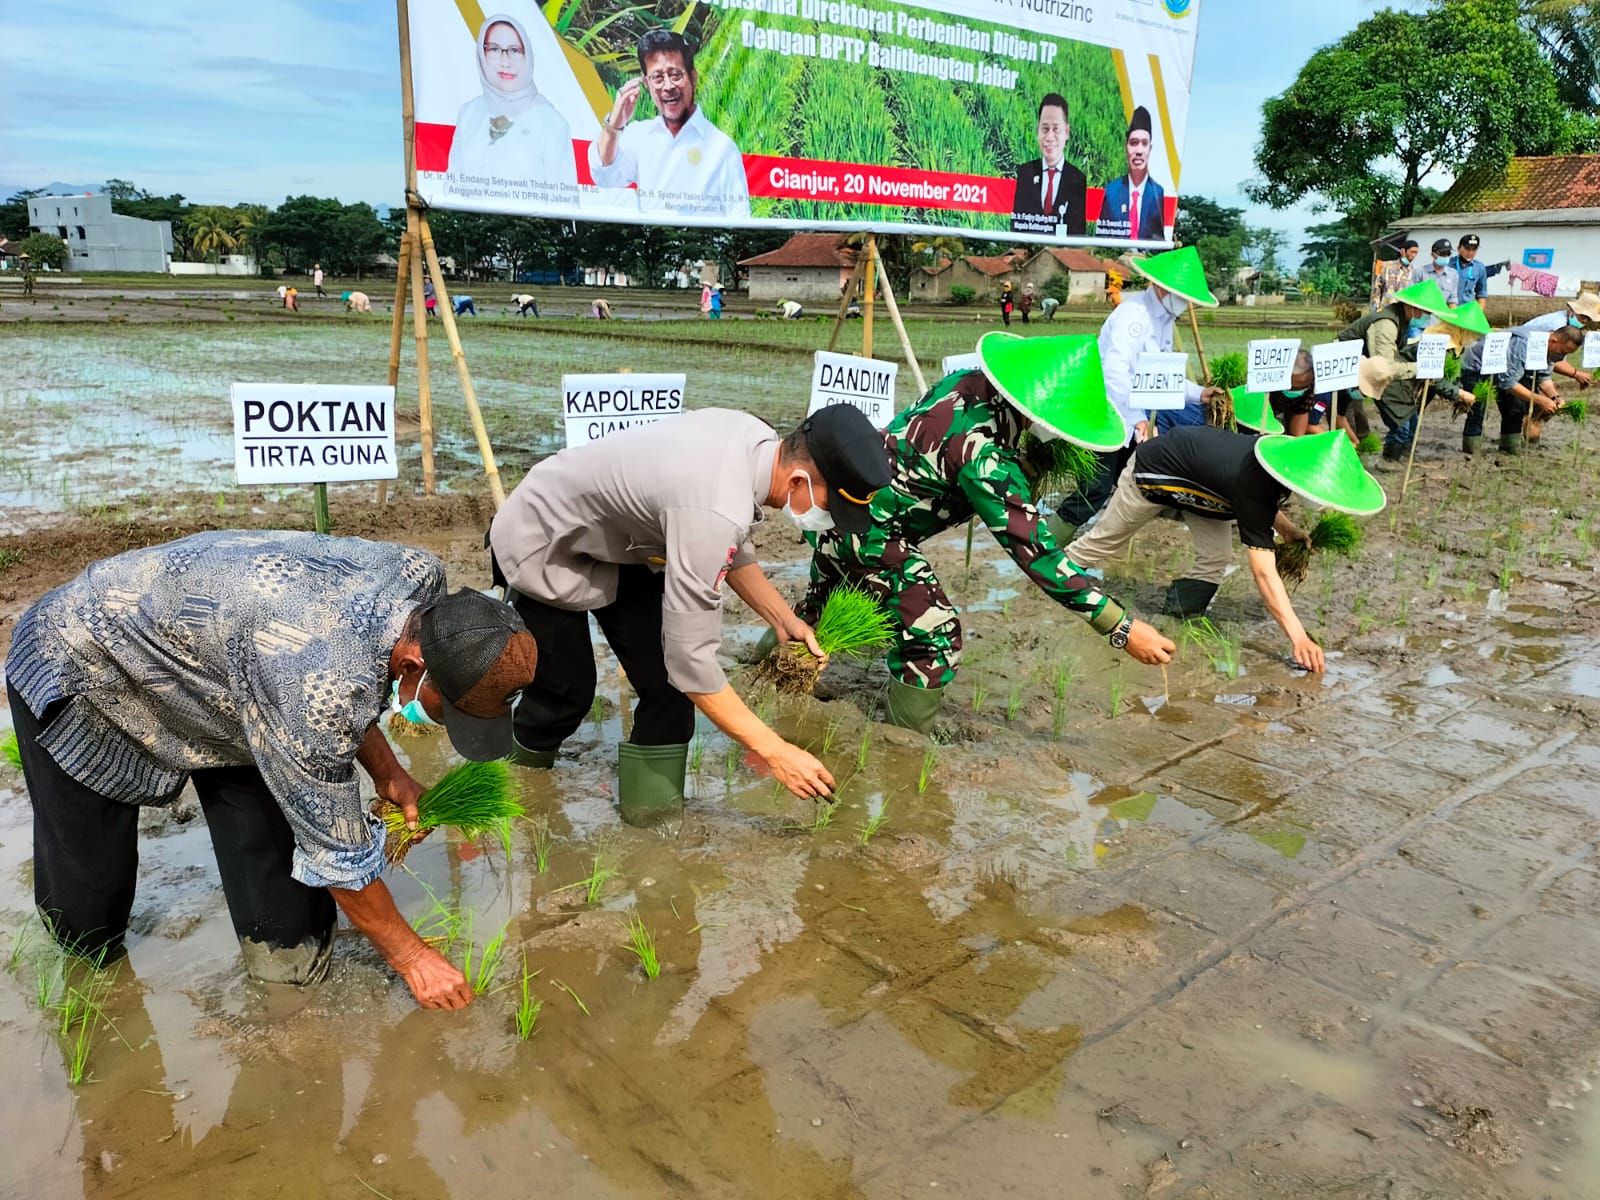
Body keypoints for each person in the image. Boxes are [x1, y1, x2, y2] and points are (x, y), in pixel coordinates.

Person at [4, 531, 538, 1009]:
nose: (447, 725)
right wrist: (414, 958)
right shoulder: (310, 684)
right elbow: (338, 853)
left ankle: (284, 983)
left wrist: (388, 773)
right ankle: (87, 986)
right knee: (89, 912)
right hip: (85, 658)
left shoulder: (422, 584)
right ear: (415, 667)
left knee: (285, 918)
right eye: (452, 712)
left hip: (232, 672)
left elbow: (352, 681)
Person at [488, 405, 892, 822]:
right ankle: (516, 792)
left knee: (668, 689)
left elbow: (731, 546)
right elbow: (692, 658)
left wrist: (782, 618)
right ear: (797, 480)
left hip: (628, 543)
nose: (828, 520)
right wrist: (775, 750)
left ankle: (650, 824)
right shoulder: (713, 508)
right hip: (544, 537)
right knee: (566, 694)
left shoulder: (757, 441)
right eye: (831, 507)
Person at [797, 335, 1174, 733]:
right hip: (870, 536)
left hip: (843, 506)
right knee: (936, 637)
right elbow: (1039, 556)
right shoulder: (988, 460)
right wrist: (1121, 628)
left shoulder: (964, 382)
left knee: (819, 605)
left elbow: (945, 448)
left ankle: (772, 673)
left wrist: (1021, 463)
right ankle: (899, 746)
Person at [1066, 427, 1387, 670]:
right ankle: (1056, 576)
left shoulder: (1279, 465)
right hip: (1153, 473)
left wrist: (1287, 530)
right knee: (1102, 542)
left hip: (1205, 490)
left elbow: (1264, 503)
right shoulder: (1253, 483)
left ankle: (1179, 617)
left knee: (1216, 556)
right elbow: (1263, 572)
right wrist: (1298, 637)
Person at [1056, 245, 1223, 530]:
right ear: (1161, 287)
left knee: (1132, 483)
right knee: (1095, 488)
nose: (1185, 303)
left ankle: (1091, 547)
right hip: (1104, 412)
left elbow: (1161, 377)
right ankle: (1045, 547)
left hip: (1133, 415)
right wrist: (1138, 418)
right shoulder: (1132, 316)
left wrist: (1200, 394)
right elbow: (1114, 373)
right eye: (1183, 296)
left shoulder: (1165, 322)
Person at [590, 31, 750, 219]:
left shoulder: (722, 147)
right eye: (657, 78)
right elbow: (604, 175)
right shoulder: (640, 136)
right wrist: (615, 124)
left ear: (693, 77)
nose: (668, 86)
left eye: (675, 75)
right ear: (647, 85)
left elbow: (739, 218)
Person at [1337, 279, 1473, 462]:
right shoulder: (1386, 323)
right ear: (1413, 308)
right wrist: (1420, 369)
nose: (1427, 316)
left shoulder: (1402, 319)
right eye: (1426, 312)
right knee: (1349, 420)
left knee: (1404, 420)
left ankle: (1396, 460)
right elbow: (1385, 367)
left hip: (1369, 371)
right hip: (1346, 370)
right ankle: (1380, 462)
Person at [448, 14, 579, 201]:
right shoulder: (469, 114)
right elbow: (451, 186)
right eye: (494, 49)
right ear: (482, 54)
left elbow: (565, 203)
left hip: (529, 229)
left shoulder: (551, 122)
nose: (505, 61)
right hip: (469, 228)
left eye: (515, 50)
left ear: (528, 55)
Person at [1457, 322, 1584, 454]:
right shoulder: (1523, 344)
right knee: (1478, 411)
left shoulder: (1549, 349)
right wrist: (1540, 400)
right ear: (1554, 340)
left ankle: (1509, 450)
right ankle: (1471, 454)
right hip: (1477, 367)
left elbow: (1543, 377)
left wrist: (1555, 397)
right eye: (1563, 352)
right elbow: (1508, 382)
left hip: (1508, 370)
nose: (1562, 357)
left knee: (1515, 409)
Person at [1010, 93, 1087, 237]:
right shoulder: (1026, 173)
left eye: (1056, 129)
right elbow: (1016, 225)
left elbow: (1078, 233)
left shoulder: (1077, 179)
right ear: (1037, 130)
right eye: (1045, 129)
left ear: (1066, 132)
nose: (1050, 137)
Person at [1100, 107, 1166, 241]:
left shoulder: (1157, 193)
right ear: (1126, 147)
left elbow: (1158, 241)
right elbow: (1101, 239)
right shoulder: (1111, 191)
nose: (1139, 151)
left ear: (1150, 149)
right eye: (1134, 143)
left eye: (1144, 143)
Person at [1449, 234, 1506, 305]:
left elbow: (1482, 292)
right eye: (1467, 249)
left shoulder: (1479, 267)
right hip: (1447, 309)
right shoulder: (1448, 265)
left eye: (1474, 249)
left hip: (1467, 310)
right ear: (1458, 248)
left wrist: (1479, 313)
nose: (1470, 253)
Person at [1371, 239, 1418, 310]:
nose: (1414, 255)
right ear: (1403, 251)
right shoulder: (1386, 266)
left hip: (1402, 313)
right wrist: (1375, 307)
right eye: (1412, 252)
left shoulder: (1413, 272)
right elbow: (1377, 288)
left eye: (1416, 253)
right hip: (1385, 309)